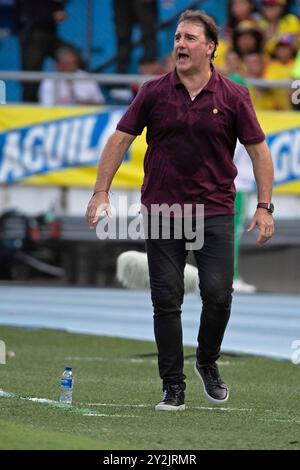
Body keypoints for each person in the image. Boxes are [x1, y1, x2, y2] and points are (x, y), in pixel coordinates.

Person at [85, 10, 275, 411]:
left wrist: (263, 206)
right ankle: (173, 386)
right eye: (176, 37)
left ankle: (207, 361)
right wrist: (101, 192)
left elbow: (259, 152)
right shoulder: (153, 91)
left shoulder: (234, 95)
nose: (180, 44)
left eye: (189, 38)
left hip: (216, 209)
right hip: (163, 209)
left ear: (210, 48)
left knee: (218, 294)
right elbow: (119, 141)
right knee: (166, 300)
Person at [14, 0, 71, 102]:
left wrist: (60, 8)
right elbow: (27, 14)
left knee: (72, 58)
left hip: (51, 35)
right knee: (32, 77)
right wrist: (51, 15)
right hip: (33, 34)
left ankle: (78, 100)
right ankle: (29, 109)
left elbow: (59, 9)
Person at [38, 46, 105, 106]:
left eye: (73, 63)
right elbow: (46, 108)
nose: (71, 67)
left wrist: (84, 104)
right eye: (67, 64)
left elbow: (100, 103)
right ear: (57, 65)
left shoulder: (86, 78)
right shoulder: (49, 82)